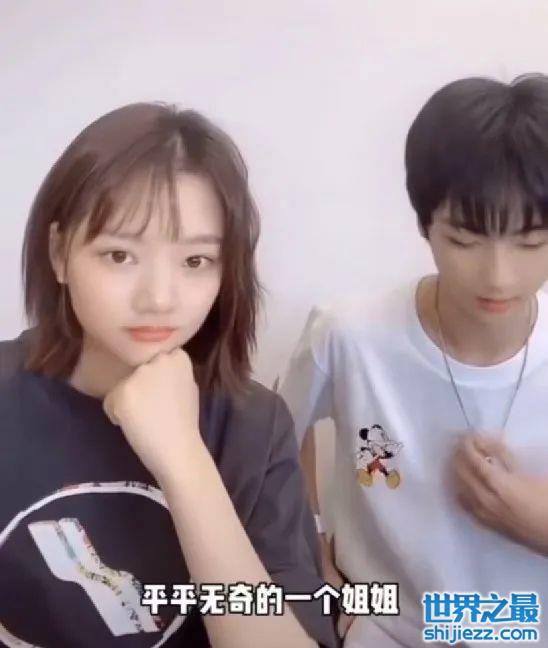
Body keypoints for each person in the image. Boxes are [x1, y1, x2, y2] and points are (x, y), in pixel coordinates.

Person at [0, 103, 338, 648]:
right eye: (119, 255)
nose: (159, 298)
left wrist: (184, 460)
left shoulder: (254, 426)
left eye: (195, 261)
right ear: (60, 253)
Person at [278, 74, 548, 647]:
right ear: (424, 223)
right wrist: (314, 560)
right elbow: (274, 441)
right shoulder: (348, 336)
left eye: (532, 242)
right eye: (466, 240)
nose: (500, 276)